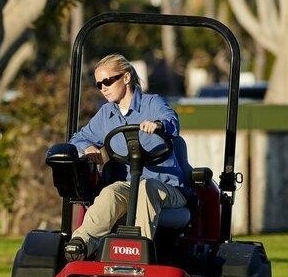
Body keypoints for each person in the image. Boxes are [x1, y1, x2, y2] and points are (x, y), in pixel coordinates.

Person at [64, 54, 192, 261]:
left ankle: (137, 252)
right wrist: (87, 147)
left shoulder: (152, 103)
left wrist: (158, 125)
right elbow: (78, 138)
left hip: (166, 188)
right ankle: (80, 244)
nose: (103, 88)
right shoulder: (107, 114)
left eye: (107, 81)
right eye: (98, 84)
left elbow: (171, 120)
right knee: (111, 191)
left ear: (126, 77)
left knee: (146, 187)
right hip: (127, 186)